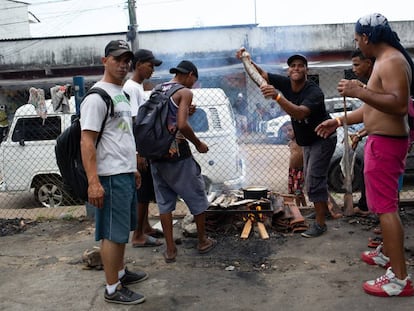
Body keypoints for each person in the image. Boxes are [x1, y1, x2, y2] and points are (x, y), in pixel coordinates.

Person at [315, 13, 414, 297]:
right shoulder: (387, 61)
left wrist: (359, 90)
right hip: (380, 142)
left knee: (386, 210)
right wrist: (336, 120)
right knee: (383, 207)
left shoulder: (392, 60)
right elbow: (373, 109)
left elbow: (397, 105)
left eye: (358, 38)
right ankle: (388, 256)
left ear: (367, 38)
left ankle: (399, 278)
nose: (357, 43)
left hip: (385, 144)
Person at [236, 48, 337, 238]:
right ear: (288, 70)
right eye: (293, 66)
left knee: (314, 180)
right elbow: (262, 76)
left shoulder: (314, 92)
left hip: (323, 139)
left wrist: (277, 97)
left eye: (300, 66)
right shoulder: (287, 83)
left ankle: (321, 224)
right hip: (307, 140)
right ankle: (322, 211)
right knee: (311, 178)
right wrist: (246, 60)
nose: (296, 68)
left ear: (306, 70)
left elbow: (299, 112)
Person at [80, 40, 148, 305]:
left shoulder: (121, 93)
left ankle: (119, 273)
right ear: (104, 60)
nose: (123, 65)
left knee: (122, 231)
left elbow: (123, 135)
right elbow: (87, 141)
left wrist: (132, 166)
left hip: (124, 172)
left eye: (126, 60)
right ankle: (112, 289)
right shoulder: (97, 97)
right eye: (117, 59)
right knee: (112, 233)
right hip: (108, 176)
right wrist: (93, 182)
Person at [149, 60, 216, 263]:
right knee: (196, 195)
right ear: (189, 75)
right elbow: (180, 124)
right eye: (194, 80)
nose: (194, 84)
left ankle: (170, 250)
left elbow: (164, 119)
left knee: (165, 202)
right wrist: (197, 143)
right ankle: (203, 241)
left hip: (156, 154)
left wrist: (186, 112)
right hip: (176, 154)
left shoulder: (159, 89)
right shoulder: (185, 92)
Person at [123, 49, 164, 248]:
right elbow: (133, 122)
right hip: (137, 149)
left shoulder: (138, 87)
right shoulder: (131, 88)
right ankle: (138, 235)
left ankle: (146, 227)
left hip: (140, 147)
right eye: (150, 65)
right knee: (142, 191)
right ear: (138, 64)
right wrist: (138, 153)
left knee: (145, 191)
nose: (152, 70)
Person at [349, 49, 374, 214]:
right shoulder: (371, 83)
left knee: (381, 181)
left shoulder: (377, 81)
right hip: (375, 138)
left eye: (357, 64)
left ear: (368, 63)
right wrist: (359, 134)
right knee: (368, 173)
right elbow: (372, 115)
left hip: (386, 140)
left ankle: (382, 217)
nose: (353, 69)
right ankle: (367, 207)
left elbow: (375, 114)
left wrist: (361, 90)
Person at [286, 123, 307, 207]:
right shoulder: (290, 143)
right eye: (287, 131)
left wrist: (305, 171)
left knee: (297, 191)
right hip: (292, 170)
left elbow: (305, 157)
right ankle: (304, 207)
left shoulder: (302, 143)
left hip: (300, 170)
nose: (288, 133)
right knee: (294, 191)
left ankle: (299, 208)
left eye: (290, 130)